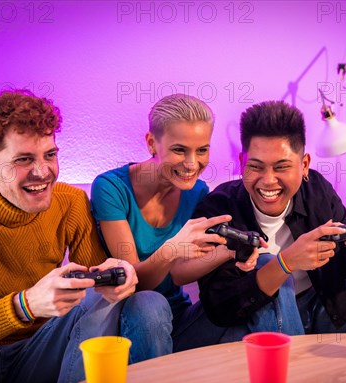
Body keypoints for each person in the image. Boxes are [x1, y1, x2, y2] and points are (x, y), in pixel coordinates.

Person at [0, 90, 172, 383]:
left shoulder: (71, 202)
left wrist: (117, 277)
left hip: (40, 348)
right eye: (24, 159)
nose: (43, 172)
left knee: (116, 298)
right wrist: (26, 305)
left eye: (50, 155)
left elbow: (95, 295)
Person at [173, 100, 346, 335]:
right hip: (257, 319)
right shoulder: (219, 208)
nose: (268, 181)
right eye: (255, 166)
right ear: (242, 162)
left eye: (282, 167)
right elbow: (220, 306)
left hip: (322, 306)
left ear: (304, 165)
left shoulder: (317, 191)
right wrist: (286, 263)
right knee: (267, 266)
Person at [91, 94, 303, 353]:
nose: (192, 164)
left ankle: (289, 370)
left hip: (182, 322)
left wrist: (231, 251)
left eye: (202, 150)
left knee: (268, 268)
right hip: (135, 319)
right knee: (150, 301)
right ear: (151, 143)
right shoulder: (111, 188)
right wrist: (173, 248)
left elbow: (183, 272)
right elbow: (135, 282)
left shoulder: (198, 192)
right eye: (179, 150)